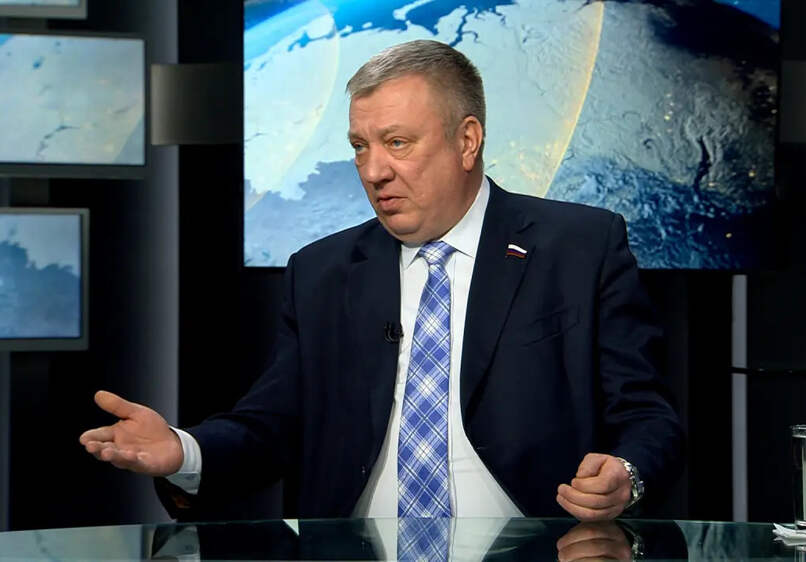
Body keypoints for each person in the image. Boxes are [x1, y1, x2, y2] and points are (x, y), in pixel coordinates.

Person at [80, 39, 684, 522]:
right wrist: (183, 451)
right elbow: (271, 426)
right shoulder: (321, 272)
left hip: (540, 548)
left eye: (397, 143)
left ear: (467, 141)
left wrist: (626, 476)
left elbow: (646, 414)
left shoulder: (579, 247)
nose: (373, 171)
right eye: (359, 147)